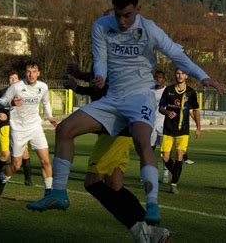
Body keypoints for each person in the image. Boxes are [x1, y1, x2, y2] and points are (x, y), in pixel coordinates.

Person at [26, 0, 224, 226]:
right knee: (64, 130)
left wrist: (204, 77)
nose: (121, 20)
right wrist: (99, 75)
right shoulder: (101, 25)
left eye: (127, 15)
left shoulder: (149, 30)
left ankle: (152, 205)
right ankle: (59, 193)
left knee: (142, 140)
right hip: (112, 100)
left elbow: (177, 55)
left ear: (138, 10)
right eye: (118, 14)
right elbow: (100, 60)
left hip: (140, 97)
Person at [61, 63, 171, 242]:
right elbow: (103, 80)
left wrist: (77, 88)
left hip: (113, 133)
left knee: (92, 183)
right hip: (122, 132)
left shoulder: (114, 54)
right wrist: (80, 74)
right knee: (115, 187)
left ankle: (138, 230)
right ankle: (153, 231)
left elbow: (107, 92)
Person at [0, 61, 57, 200]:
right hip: (18, 130)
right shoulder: (16, 87)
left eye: (34, 71)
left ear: (39, 73)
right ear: (25, 72)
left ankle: (48, 193)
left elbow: (46, 102)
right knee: (16, 165)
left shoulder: (43, 87)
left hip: (35, 127)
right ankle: (2, 179)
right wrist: (11, 103)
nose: (31, 74)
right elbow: (1, 102)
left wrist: (50, 117)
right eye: (29, 71)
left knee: (46, 161)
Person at [159, 68, 201, 194]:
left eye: (182, 73)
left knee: (179, 155)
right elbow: (161, 108)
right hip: (168, 129)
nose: (180, 75)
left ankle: (173, 184)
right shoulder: (169, 90)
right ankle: (176, 173)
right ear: (175, 75)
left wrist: (199, 128)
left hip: (183, 131)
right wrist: (167, 112)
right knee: (165, 157)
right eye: (177, 73)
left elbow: (195, 111)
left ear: (186, 76)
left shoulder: (191, 92)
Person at [0, 71, 32, 186]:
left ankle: (28, 179)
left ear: (18, 80)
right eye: (11, 78)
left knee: (25, 153)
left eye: (15, 78)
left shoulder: (24, 93)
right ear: (8, 80)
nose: (13, 80)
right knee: (5, 154)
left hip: (19, 127)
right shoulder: (2, 92)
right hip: (5, 125)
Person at [150, 70, 169, 183]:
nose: (158, 79)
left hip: (164, 125)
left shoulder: (167, 91)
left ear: (164, 79)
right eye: (156, 77)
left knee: (165, 151)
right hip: (151, 124)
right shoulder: (149, 91)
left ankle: (165, 174)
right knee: (149, 150)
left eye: (160, 77)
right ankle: (149, 173)